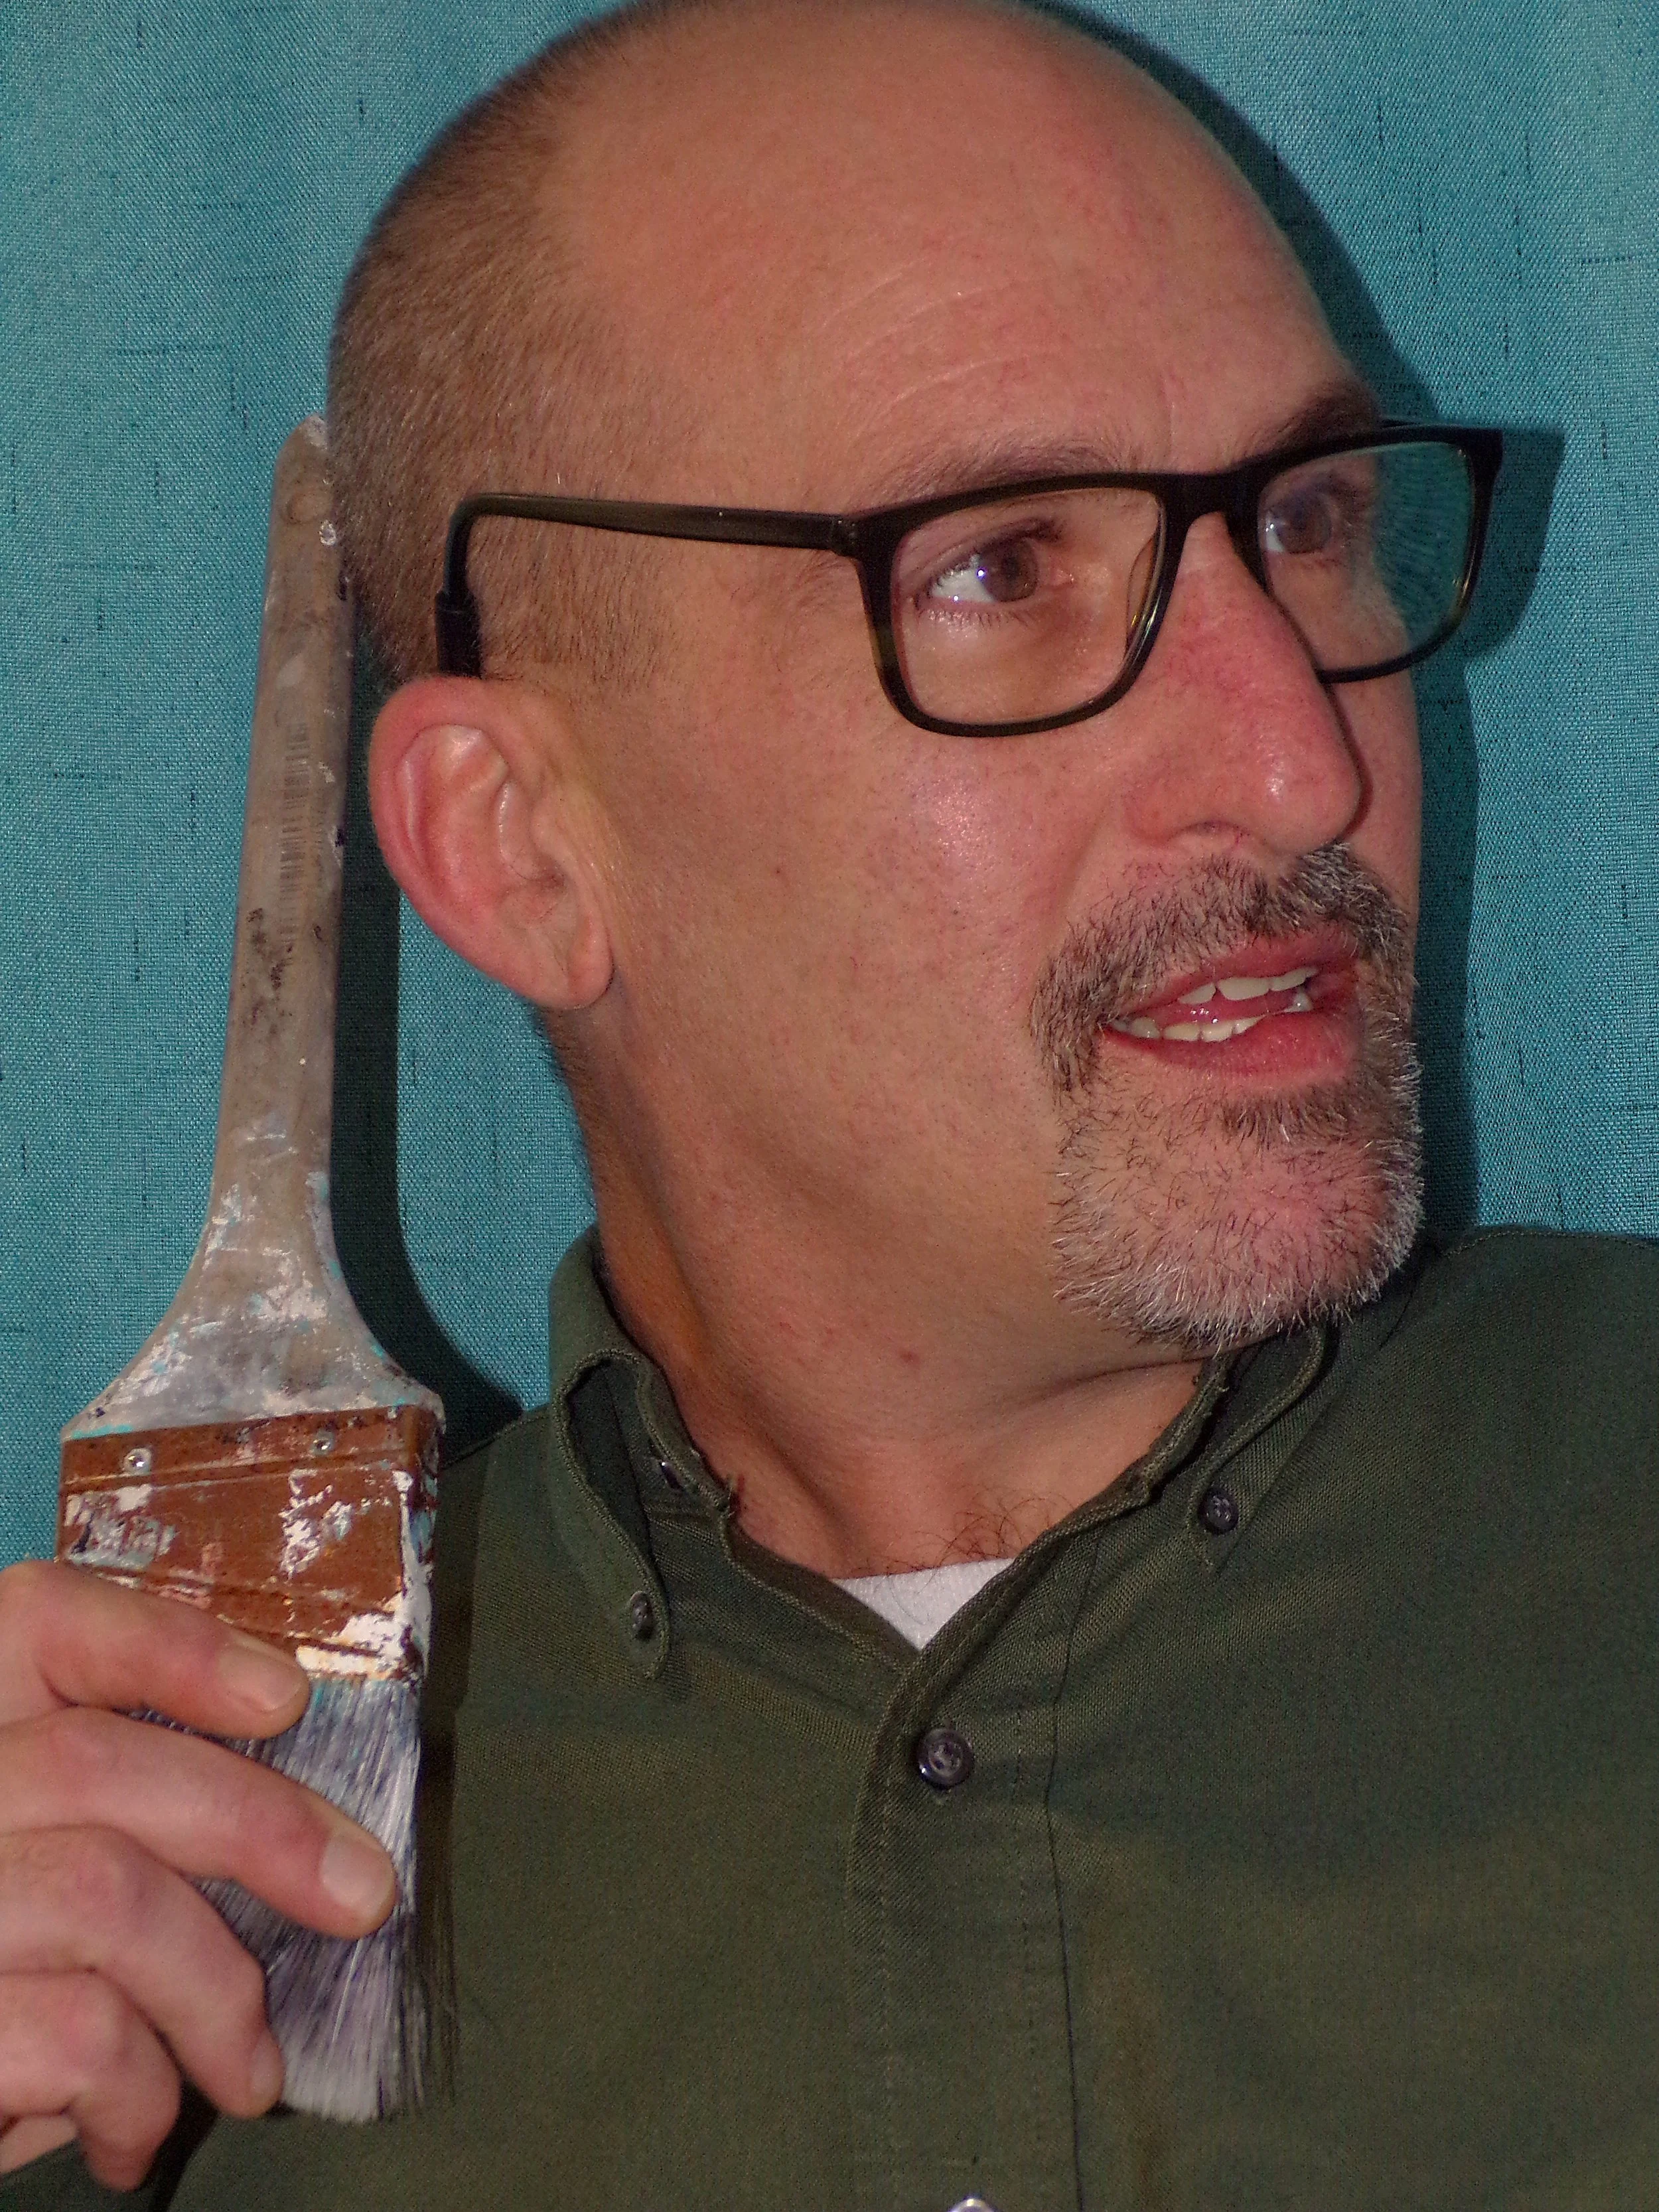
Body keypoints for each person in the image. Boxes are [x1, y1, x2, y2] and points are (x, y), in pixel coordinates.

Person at [2, 0, 1655, 2203]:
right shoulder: (170, 1884)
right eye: (996, 569)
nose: (1302, 760)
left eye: (1306, 517)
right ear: (516, 848)